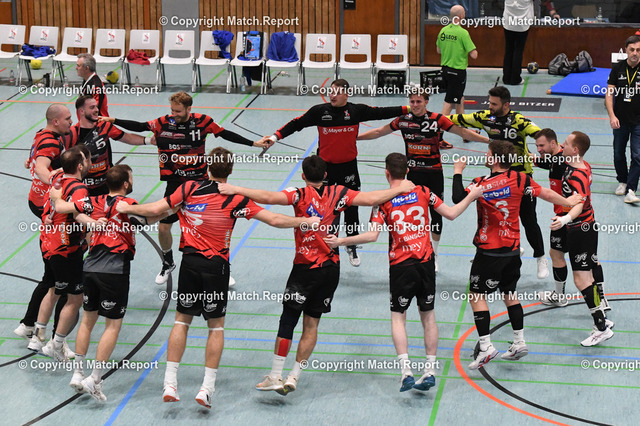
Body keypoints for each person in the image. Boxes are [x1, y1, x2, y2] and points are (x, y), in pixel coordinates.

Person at [115, 147, 319, 409]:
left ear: (207, 166)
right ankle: (206, 389)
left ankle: (170, 383)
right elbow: (275, 220)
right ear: (231, 169)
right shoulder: (236, 199)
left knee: (181, 321)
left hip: (190, 264)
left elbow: (155, 208)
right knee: (216, 327)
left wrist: (126, 207)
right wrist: (305, 221)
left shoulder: (189, 188)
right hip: (217, 268)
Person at [218, 155, 415, 395]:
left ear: (303, 176)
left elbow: (268, 197)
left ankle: (275, 375)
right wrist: (401, 188)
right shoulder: (339, 193)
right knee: (312, 323)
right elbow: (372, 198)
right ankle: (294, 376)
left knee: (288, 321)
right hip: (331, 269)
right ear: (325, 175)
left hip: (305, 268)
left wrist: (235, 189)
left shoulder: (298, 194)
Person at [324, 153, 482, 392]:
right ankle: (430, 370)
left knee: (398, 316)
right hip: (425, 262)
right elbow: (451, 213)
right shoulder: (423, 191)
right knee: (428, 316)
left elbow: (372, 236)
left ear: (386, 173)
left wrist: (340, 241)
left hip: (401, 266)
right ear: (407, 171)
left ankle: (406, 371)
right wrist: (472, 195)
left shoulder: (382, 201)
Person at [101, 91, 271, 285]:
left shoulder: (203, 122)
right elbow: (140, 126)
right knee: (164, 227)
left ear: (189, 108)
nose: (173, 114)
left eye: (178, 111)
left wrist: (253, 143)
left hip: (200, 183)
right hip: (175, 183)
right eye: (172, 110)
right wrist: (114, 120)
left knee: (208, 228)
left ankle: (221, 266)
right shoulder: (163, 122)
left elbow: (225, 134)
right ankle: (168, 262)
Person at [452, 140, 581, 369]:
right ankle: (519, 342)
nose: (485, 155)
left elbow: (456, 198)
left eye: (488, 153)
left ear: (494, 159)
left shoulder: (480, 183)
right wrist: (567, 202)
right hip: (512, 250)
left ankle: (486, 346)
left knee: (476, 295)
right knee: (509, 293)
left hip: (489, 250)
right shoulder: (521, 179)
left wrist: (457, 171)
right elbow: (547, 194)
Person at [260, 79, 411, 267]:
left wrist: (408, 108)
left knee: (352, 208)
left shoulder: (356, 111)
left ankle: (351, 244)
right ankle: (328, 246)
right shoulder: (319, 112)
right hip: (326, 170)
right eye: (330, 91)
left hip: (349, 168)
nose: (332, 95)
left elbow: (381, 112)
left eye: (337, 92)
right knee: (327, 210)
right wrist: (275, 137)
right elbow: (296, 124)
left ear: (346, 94)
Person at [51, 165, 162, 400]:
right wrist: (173, 209)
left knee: (87, 321)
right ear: (125, 183)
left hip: (90, 267)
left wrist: (86, 219)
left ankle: (77, 374)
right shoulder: (129, 204)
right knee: (112, 325)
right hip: (115, 270)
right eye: (131, 178)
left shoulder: (94, 201)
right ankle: (95, 379)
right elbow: (149, 217)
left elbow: (72, 212)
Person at [356, 91, 488, 272]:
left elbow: (462, 132)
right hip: (412, 175)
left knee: (436, 215)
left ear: (426, 102)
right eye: (412, 101)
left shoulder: (437, 120)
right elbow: (379, 131)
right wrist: (355, 137)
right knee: (414, 212)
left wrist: (489, 141)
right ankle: (416, 249)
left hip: (434, 174)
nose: (415, 105)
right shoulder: (402, 120)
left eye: (419, 101)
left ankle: (435, 254)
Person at [450, 86, 548, 279]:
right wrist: (433, 117)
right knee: (495, 217)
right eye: (490, 102)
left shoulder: (519, 121)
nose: (490, 106)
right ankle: (502, 249)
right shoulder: (485, 117)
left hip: (521, 176)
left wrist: (546, 150)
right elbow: (458, 119)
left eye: (494, 104)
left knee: (529, 219)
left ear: (506, 105)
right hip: (498, 177)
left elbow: (539, 134)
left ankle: (541, 257)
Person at [27, 145, 104, 361]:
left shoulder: (56, 178)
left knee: (53, 290)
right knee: (75, 299)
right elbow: (75, 213)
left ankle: (37, 337)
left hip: (47, 242)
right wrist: (94, 224)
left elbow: (53, 190)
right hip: (65, 248)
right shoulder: (79, 189)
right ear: (80, 165)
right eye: (87, 160)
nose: (90, 163)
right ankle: (57, 343)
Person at [14, 104, 73, 346]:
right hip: (46, 207)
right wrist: (61, 183)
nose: (71, 121)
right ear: (56, 121)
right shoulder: (50, 142)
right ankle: (49, 337)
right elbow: (40, 167)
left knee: (52, 274)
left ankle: (29, 324)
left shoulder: (42, 134)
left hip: (38, 202)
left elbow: (34, 161)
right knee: (58, 277)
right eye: (68, 118)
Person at [550, 132, 614, 346]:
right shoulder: (577, 164)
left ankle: (601, 328)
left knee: (581, 280)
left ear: (575, 150)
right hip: (582, 227)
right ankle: (601, 318)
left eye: (566, 143)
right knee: (587, 277)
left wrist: (565, 218)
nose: (562, 145)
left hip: (581, 229)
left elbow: (579, 203)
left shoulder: (578, 174)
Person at [66, 95, 148, 196]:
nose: (96, 110)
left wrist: (148, 141)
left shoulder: (104, 126)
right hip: (83, 186)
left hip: (106, 185)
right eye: (92, 107)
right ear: (81, 111)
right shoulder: (72, 133)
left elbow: (127, 137)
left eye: (96, 107)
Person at [436, 5, 478, 148]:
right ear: (461, 16)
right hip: (457, 73)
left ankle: (464, 133)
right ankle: (437, 137)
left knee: (460, 100)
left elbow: (438, 50)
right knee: (448, 104)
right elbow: (474, 55)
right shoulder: (463, 33)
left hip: (445, 71)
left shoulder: (443, 30)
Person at [606, 35, 640, 204]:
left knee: (637, 155)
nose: (635, 53)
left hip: (638, 121)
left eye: (638, 50)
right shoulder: (617, 68)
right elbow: (609, 94)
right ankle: (623, 181)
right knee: (618, 153)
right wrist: (612, 116)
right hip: (620, 120)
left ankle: (631, 189)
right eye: (632, 49)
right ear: (626, 50)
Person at [502, 0, 533, 85]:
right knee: (518, 51)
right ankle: (515, 78)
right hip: (522, 24)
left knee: (509, 50)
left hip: (508, 23)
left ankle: (506, 78)